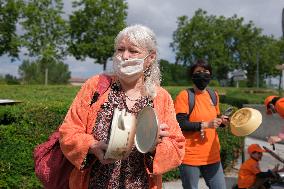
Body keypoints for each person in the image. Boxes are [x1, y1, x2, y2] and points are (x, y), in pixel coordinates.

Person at [58, 24, 185, 189]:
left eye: (133, 51)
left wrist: (154, 147)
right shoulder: (95, 86)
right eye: (120, 49)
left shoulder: (160, 97)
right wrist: (91, 146)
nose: (124, 56)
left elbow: (177, 147)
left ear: (151, 57)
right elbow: (68, 132)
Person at [174, 59, 229, 189]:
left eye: (205, 71)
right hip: (190, 157)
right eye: (198, 72)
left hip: (212, 155)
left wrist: (222, 121)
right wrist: (205, 125)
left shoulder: (213, 95)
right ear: (192, 76)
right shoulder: (185, 96)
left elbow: (214, 119)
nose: (202, 74)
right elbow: (180, 124)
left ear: (210, 74)